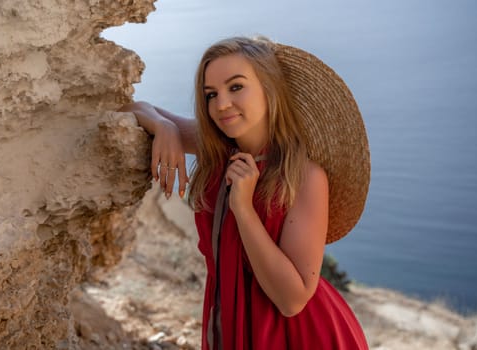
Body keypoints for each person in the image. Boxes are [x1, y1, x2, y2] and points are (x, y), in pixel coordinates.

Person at [120, 36, 370, 350]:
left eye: (236, 87)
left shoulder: (304, 176)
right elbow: (131, 108)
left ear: (270, 88)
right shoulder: (216, 146)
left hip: (299, 336)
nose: (221, 104)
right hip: (228, 318)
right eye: (211, 94)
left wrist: (243, 208)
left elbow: (292, 300)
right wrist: (163, 127)